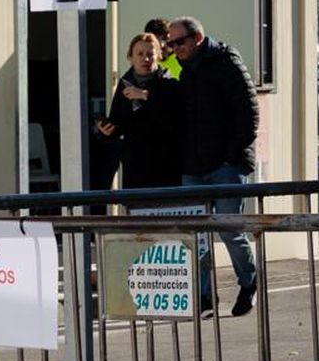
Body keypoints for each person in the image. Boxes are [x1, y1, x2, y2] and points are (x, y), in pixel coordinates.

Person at [167, 16, 259, 316]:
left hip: (225, 165)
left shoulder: (226, 61)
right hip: (194, 165)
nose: (174, 48)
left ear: (198, 38)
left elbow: (249, 113)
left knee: (230, 230)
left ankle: (248, 283)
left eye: (179, 41)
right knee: (197, 233)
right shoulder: (185, 71)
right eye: (171, 42)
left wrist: (230, 156)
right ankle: (206, 296)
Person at [97, 32, 182, 189]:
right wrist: (107, 131)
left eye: (150, 54)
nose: (146, 59)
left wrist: (146, 96)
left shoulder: (168, 83)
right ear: (131, 58)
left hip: (165, 164)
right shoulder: (125, 84)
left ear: (158, 56)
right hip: (135, 164)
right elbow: (118, 121)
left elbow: (173, 119)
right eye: (140, 54)